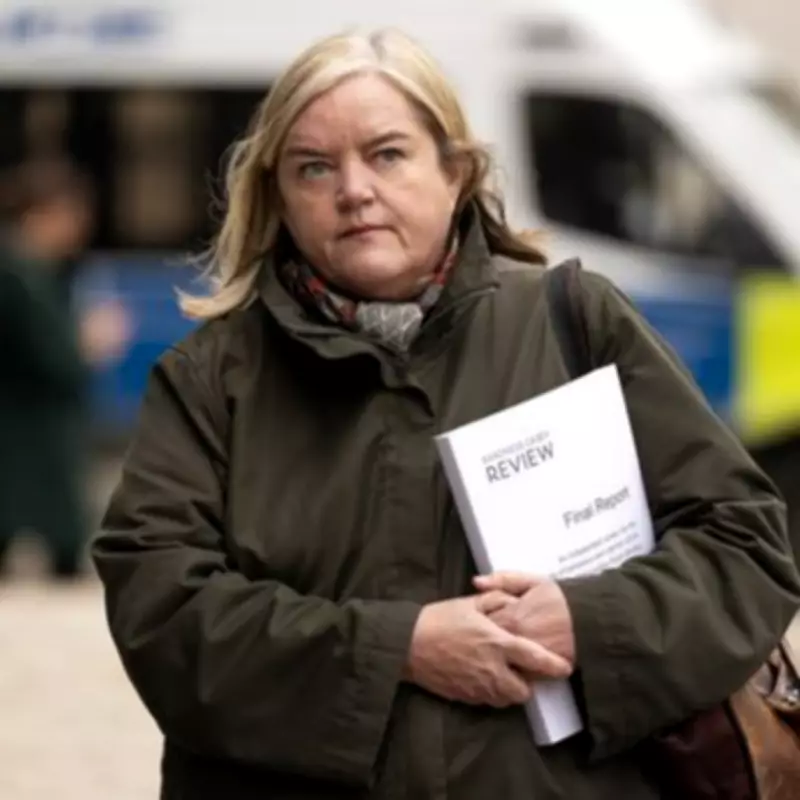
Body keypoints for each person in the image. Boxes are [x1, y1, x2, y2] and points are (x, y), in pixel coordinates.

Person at [91, 29, 800, 800]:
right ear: (279, 197)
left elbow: (746, 550)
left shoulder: (577, 321)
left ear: (456, 172)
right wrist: (396, 649)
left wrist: (590, 623)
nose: (353, 189)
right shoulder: (210, 379)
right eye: (314, 167)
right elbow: (160, 611)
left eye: (388, 154)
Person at [0, 160, 96, 578]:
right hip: (28, 429)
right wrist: (85, 344)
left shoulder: (31, 269)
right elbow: (55, 355)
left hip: (25, 427)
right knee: (58, 539)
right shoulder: (21, 272)